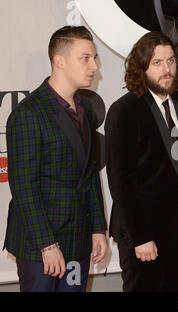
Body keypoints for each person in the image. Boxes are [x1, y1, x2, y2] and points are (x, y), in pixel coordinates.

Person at [4, 26, 107, 292]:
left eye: (94, 58)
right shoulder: (29, 114)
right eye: (85, 58)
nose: (94, 66)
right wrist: (46, 245)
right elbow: (24, 186)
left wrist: (98, 227)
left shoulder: (86, 110)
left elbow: (90, 174)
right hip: (40, 245)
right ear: (59, 61)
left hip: (78, 240)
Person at [105, 31, 178, 291]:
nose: (167, 69)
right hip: (144, 232)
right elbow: (120, 181)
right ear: (141, 68)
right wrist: (140, 237)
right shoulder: (124, 111)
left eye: (171, 61)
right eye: (157, 63)